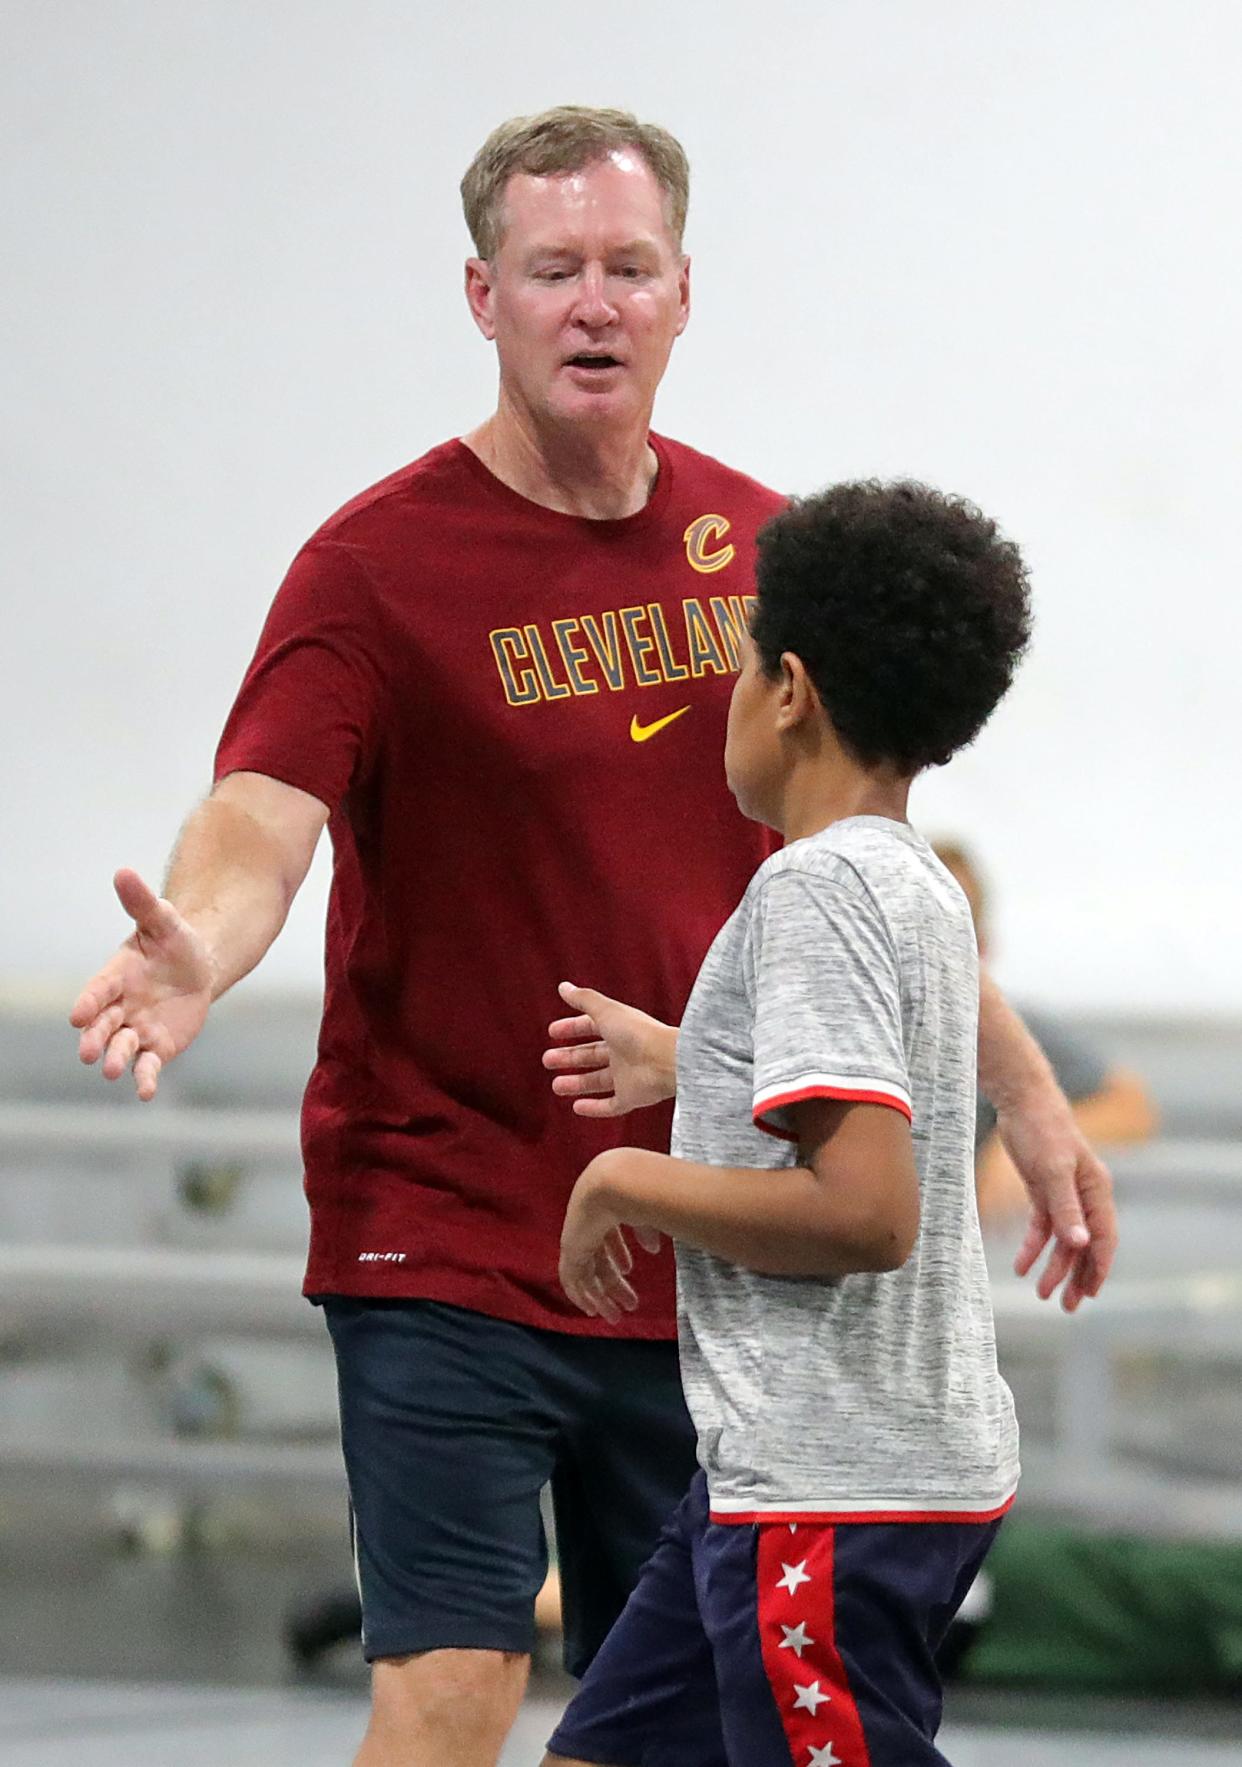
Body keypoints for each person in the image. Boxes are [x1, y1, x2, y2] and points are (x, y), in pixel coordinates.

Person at [68, 107, 1115, 1767]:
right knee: (453, 1680)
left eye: (628, 267)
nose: (593, 302)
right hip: (451, 1221)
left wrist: (1034, 1098)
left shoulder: (770, 561)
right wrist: (200, 938)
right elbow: (262, 817)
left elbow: (877, 858)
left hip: (696, 1247)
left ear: (684, 293)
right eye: (552, 270)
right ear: (481, 295)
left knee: (676, 1722)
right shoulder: (375, 567)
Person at [541, 478, 1032, 1767]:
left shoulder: (815, 890)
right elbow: (835, 1094)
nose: (727, 695)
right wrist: (686, 1064)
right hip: (772, 1473)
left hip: (831, 1492)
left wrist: (622, 1182)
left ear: (792, 690)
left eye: (742, 661)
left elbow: (863, 1213)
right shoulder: (913, 884)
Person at [933, 841, 1158, 1227]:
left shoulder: (1012, 1030)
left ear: (982, 948)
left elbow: (1131, 1105)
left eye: (952, 932)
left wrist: (1027, 1143)